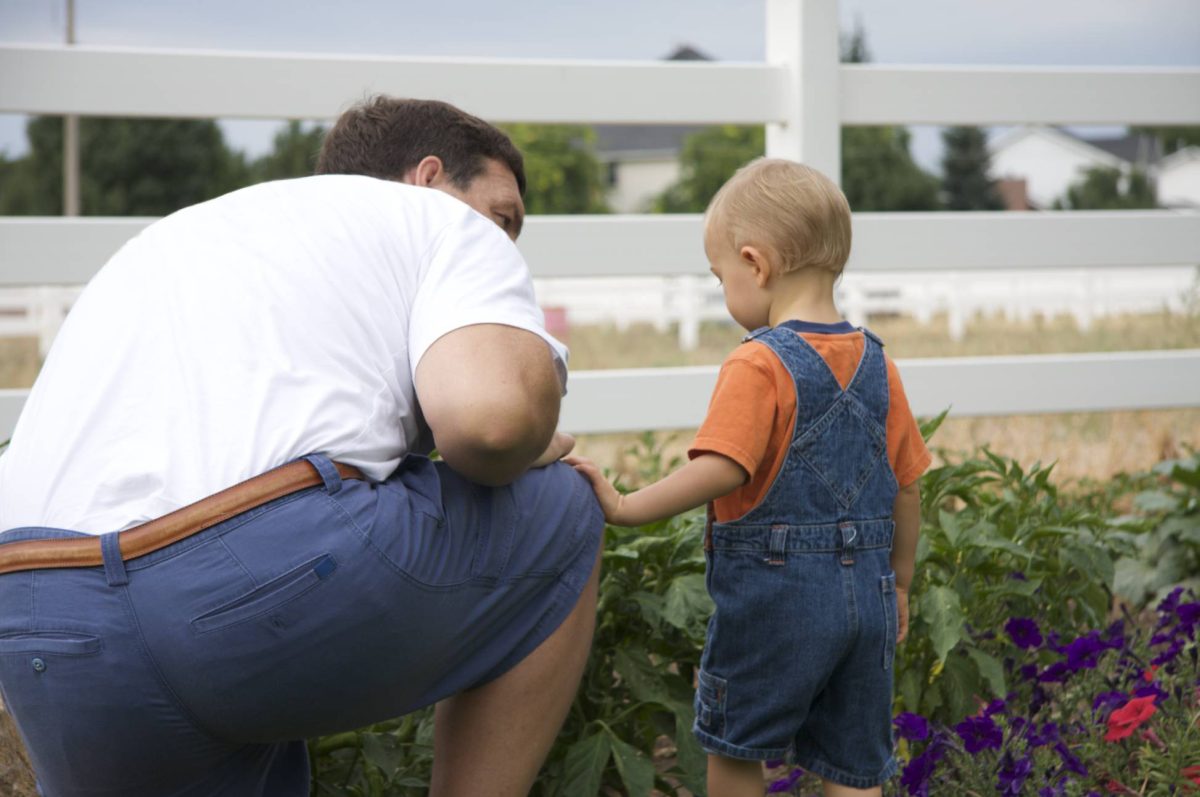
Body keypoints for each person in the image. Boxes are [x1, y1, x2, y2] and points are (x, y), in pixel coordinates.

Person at [0, 97, 603, 796]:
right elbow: (488, 422)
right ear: (428, 178)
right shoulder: (436, 222)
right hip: (240, 579)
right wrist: (530, 440)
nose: (505, 242)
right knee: (561, 511)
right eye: (502, 218)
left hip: (35, 607)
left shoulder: (178, 237)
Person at [567, 158, 931, 796]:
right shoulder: (878, 364)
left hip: (777, 602)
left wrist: (625, 504)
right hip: (867, 603)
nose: (725, 289)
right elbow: (907, 485)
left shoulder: (759, 363)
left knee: (737, 746)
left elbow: (721, 468)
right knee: (853, 762)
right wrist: (899, 584)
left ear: (755, 263)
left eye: (721, 276)